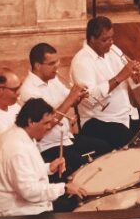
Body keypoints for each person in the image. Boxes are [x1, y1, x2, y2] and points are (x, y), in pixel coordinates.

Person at [18, 44, 109, 177]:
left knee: (104, 147)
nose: (57, 66)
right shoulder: (29, 91)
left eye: (57, 61)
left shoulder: (52, 80)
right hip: (49, 147)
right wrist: (71, 98)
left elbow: (69, 99)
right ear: (37, 65)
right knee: (83, 167)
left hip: (67, 139)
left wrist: (79, 95)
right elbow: (47, 123)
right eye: (52, 63)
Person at [70, 16, 140, 149]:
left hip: (126, 114)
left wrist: (135, 78)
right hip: (100, 120)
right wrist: (120, 77)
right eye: (105, 39)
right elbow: (90, 98)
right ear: (92, 39)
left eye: (111, 38)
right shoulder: (81, 62)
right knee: (132, 143)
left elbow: (127, 78)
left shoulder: (113, 51)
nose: (110, 42)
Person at [0, 99, 85, 216]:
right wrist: (64, 188)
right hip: (20, 212)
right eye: (46, 123)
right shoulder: (17, 148)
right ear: (31, 122)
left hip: (27, 204)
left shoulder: (20, 134)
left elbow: (25, 171)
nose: (50, 127)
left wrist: (49, 168)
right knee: (75, 206)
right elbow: (29, 191)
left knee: (72, 201)